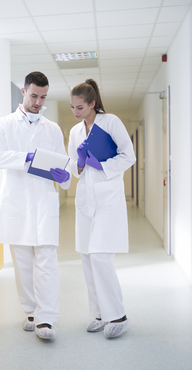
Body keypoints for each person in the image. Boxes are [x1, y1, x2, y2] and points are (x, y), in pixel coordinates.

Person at [0, 71, 71, 340]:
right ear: (23, 92)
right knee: (23, 263)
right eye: (34, 95)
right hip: (18, 204)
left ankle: (47, 320)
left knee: (47, 261)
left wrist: (65, 177)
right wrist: (26, 157)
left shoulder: (53, 128)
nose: (38, 102)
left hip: (45, 202)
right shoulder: (4, 125)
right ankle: (32, 313)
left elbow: (64, 164)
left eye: (43, 97)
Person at [68, 79, 136, 339]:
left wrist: (101, 165)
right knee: (86, 256)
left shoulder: (110, 122)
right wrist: (82, 164)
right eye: (73, 108)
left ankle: (118, 315)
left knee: (100, 256)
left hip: (108, 200)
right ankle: (98, 313)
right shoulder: (76, 132)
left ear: (93, 103)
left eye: (81, 108)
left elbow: (129, 156)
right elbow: (74, 168)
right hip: (85, 201)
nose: (76, 113)